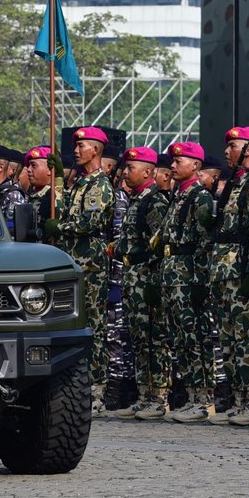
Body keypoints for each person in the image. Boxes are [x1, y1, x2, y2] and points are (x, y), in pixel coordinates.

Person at [205, 126, 249, 426]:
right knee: (229, 340)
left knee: (247, 339)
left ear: (248, 149)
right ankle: (237, 398)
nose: (226, 151)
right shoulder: (233, 185)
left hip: (241, 271)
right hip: (223, 272)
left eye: (232, 146)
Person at [45, 127, 116, 411]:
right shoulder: (81, 183)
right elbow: (61, 211)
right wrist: (60, 179)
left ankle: (97, 391)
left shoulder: (100, 185)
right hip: (73, 258)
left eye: (82, 145)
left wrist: (59, 227)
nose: (76, 150)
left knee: (94, 324)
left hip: (91, 261)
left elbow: (89, 224)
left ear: (96, 150)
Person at [113, 147, 171, 420]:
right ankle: (144, 394)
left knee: (153, 339)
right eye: (125, 167)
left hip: (146, 278)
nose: (125, 172)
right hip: (132, 277)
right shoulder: (136, 200)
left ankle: (158, 398)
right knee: (138, 339)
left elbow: (158, 246)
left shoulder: (155, 202)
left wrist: (154, 282)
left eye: (131, 167)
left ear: (148, 171)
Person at [161, 141, 216, 423]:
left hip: (188, 274)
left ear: (195, 166)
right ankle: (192, 396)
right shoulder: (178, 196)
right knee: (180, 338)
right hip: (173, 273)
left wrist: (199, 280)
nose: (172, 166)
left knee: (196, 337)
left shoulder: (200, 197)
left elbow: (204, 242)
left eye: (178, 161)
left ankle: (204, 398)